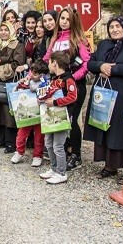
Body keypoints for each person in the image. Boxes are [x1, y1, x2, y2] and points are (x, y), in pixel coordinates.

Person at [85, 16, 123, 179]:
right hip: (103, 93)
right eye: (111, 27)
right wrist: (100, 66)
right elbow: (90, 63)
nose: (115, 29)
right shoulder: (104, 44)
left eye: (118, 26)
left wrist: (113, 69)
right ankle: (109, 165)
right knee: (104, 127)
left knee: (121, 130)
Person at [43, 8, 91, 170]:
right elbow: (46, 60)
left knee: (72, 119)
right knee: (59, 118)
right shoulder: (55, 39)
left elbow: (86, 63)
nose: (63, 21)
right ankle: (61, 152)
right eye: (62, 18)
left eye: (67, 19)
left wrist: (72, 77)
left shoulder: (79, 39)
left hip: (75, 85)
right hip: (57, 85)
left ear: (73, 21)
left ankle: (76, 155)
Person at [0, 21, 26, 152]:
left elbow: (17, 63)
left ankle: (10, 143)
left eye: (6, 30)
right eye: (1, 30)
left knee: (9, 114)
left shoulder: (18, 45)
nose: (3, 32)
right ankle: (1, 140)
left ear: (11, 31)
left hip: (10, 82)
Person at [38, 51, 78, 184]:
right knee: (48, 143)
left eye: (49, 62)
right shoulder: (53, 80)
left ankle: (61, 173)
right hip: (50, 117)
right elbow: (48, 95)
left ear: (55, 63)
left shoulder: (68, 80)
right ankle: (54, 169)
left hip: (62, 117)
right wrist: (42, 100)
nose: (48, 65)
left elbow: (73, 97)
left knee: (58, 145)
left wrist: (55, 102)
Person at [11, 59, 49, 166]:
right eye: (31, 72)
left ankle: (37, 155)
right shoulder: (27, 81)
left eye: (35, 74)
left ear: (42, 75)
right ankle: (19, 151)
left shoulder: (46, 83)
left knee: (39, 136)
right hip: (27, 113)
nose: (32, 75)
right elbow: (16, 91)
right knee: (21, 134)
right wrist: (21, 83)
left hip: (40, 113)